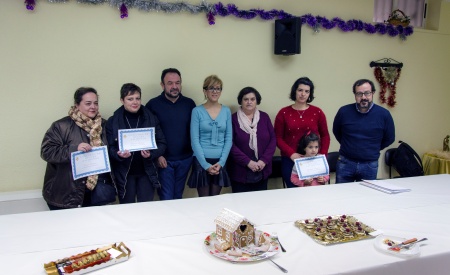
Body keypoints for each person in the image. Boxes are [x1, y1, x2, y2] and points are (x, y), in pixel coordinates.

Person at [41, 87, 115, 210]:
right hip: (66, 195)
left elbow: (111, 151)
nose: (93, 107)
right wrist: (74, 149)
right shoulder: (61, 126)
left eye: (95, 103)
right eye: (88, 103)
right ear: (77, 105)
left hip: (97, 193)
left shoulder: (104, 125)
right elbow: (47, 152)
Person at [106, 83, 166, 203]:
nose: (135, 102)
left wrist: (152, 154)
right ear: (122, 100)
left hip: (147, 172)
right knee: (127, 210)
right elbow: (110, 148)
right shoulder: (113, 121)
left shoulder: (151, 118)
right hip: (125, 174)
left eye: (137, 98)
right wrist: (118, 155)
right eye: (130, 99)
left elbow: (162, 143)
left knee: (146, 208)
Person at [145, 68, 196, 200]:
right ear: (162, 85)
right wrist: (157, 155)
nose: (174, 86)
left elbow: (194, 131)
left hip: (185, 159)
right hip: (163, 160)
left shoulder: (189, 104)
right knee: (166, 197)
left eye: (177, 83)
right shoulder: (152, 105)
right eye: (170, 83)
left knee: (178, 196)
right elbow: (148, 134)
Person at [333, 79, 395, 183]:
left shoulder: (384, 114)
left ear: (373, 93)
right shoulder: (344, 111)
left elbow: (389, 138)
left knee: (367, 197)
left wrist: (373, 147)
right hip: (345, 163)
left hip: (369, 164)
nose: (363, 97)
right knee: (342, 196)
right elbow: (337, 131)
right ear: (354, 94)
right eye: (359, 94)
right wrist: (349, 145)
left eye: (367, 93)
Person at [274, 77, 330, 188]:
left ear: (310, 94)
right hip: (291, 161)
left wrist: (321, 155)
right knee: (294, 196)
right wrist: (291, 154)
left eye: (306, 91)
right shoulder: (283, 113)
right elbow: (277, 137)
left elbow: (325, 136)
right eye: (300, 90)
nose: (303, 94)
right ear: (294, 91)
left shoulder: (317, 112)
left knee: (314, 195)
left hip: (313, 161)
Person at [188, 75, 232, 197]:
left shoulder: (226, 111)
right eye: (211, 88)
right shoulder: (197, 111)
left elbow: (228, 138)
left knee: (215, 200)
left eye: (218, 88)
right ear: (205, 91)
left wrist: (222, 162)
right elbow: (194, 140)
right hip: (201, 161)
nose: (215, 91)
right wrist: (205, 165)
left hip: (220, 161)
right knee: (204, 201)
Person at [227, 87, 276, 193]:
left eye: (252, 99)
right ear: (241, 101)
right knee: (240, 206)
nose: (249, 102)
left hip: (262, 169)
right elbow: (229, 144)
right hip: (240, 171)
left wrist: (263, 160)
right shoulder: (233, 119)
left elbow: (273, 140)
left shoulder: (264, 117)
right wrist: (248, 162)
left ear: (257, 101)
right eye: (246, 99)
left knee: (261, 204)